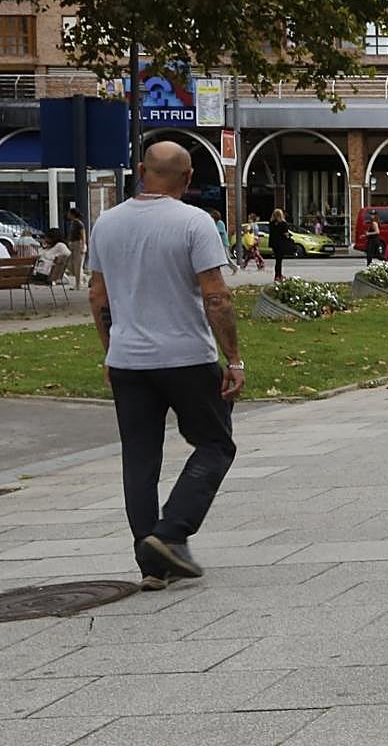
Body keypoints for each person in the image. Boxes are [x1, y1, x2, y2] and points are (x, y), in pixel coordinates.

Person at [87, 140, 244, 591]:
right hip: (187, 357)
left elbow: (98, 295)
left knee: (139, 459)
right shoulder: (195, 222)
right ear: (188, 178)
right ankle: (170, 533)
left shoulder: (107, 223)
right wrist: (233, 358)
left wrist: (110, 350)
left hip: (129, 361)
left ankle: (151, 565)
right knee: (215, 444)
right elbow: (216, 295)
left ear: (141, 170)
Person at [65, 207, 88, 290]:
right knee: (70, 264)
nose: (67, 215)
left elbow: (83, 235)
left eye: (69, 213)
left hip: (78, 244)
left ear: (73, 214)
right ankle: (83, 277)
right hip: (72, 244)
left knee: (77, 265)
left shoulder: (79, 223)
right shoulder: (72, 223)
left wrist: (83, 245)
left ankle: (78, 284)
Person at [268, 208, 291, 282]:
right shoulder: (283, 223)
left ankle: (277, 275)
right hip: (281, 243)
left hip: (274, 243)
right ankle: (278, 275)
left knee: (277, 260)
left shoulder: (271, 223)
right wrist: (288, 236)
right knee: (279, 260)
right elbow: (286, 234)